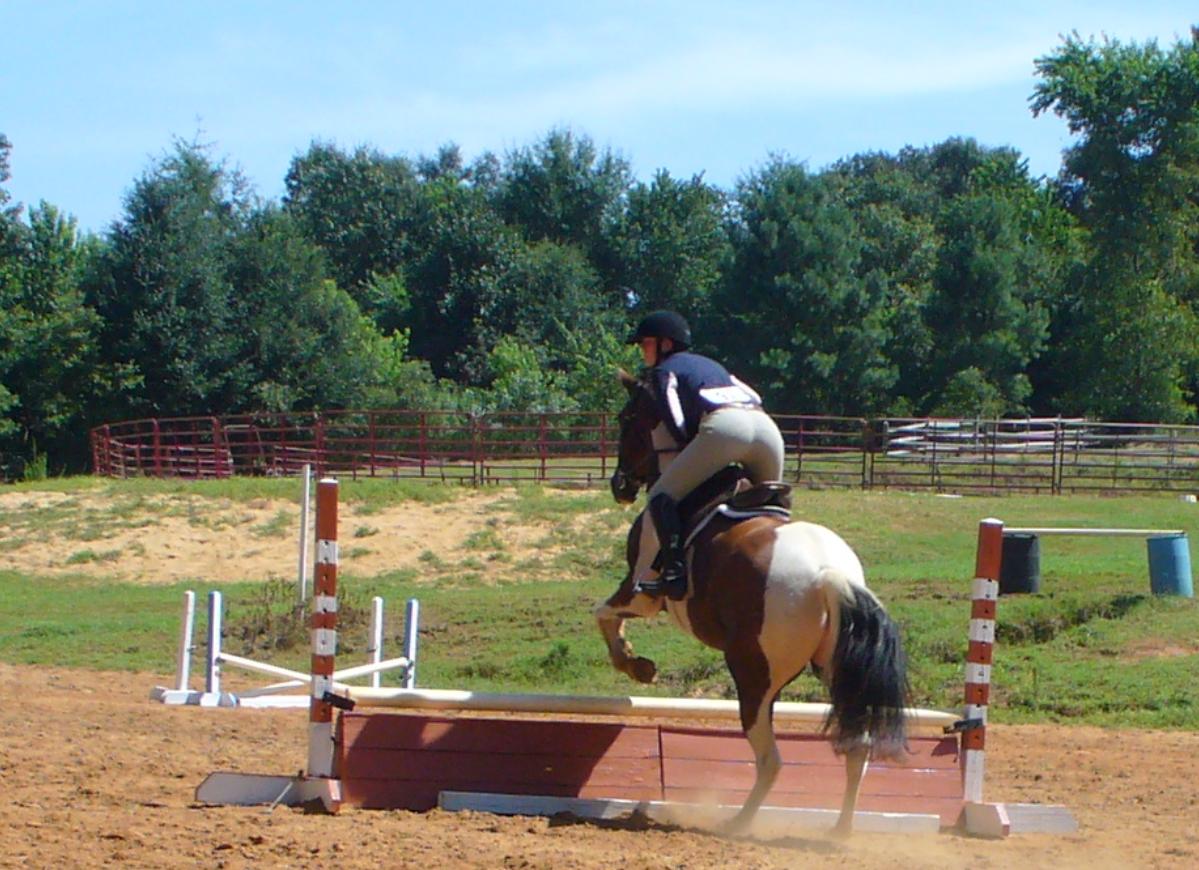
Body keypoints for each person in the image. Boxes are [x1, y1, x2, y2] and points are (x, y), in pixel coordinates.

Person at [627, 310, 785, 600]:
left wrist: (688, 443)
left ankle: (673, 573)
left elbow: (673, 414)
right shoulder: (712, 366)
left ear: (665, 344)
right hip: (766, 429)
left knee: (660, 497)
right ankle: (778, 564)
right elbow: (753, 395)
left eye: (645, 343)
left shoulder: (664, 371)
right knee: (770, 505)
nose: (642, 349)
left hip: (726, 428)